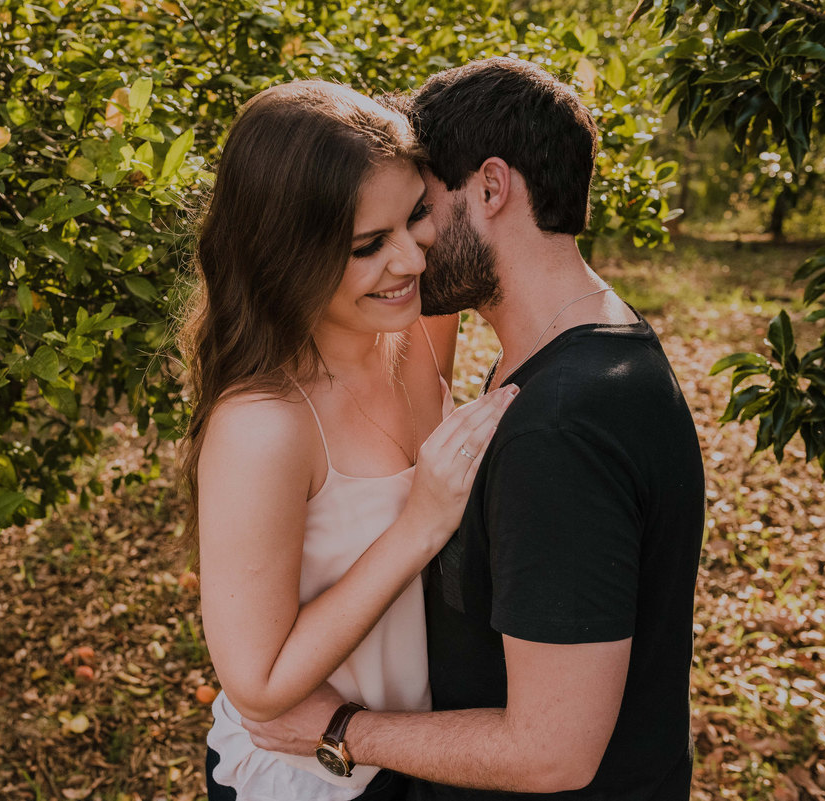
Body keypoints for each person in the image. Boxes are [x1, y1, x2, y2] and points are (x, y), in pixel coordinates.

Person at [244, 57, 706, 801]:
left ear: (491, 187)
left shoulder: (560, 425)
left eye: (421, 209)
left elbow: (551, 753)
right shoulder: (594, 341)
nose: (413, 246)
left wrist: (342, 731)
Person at [178, 80, 519, 801]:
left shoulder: (418, 326)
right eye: (369, 246)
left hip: (418, 751)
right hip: (310, 779)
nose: (413, 261)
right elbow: (258, 681)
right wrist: (419, 525)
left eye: (415, 215)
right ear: (285, 255)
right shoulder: (264, 425)